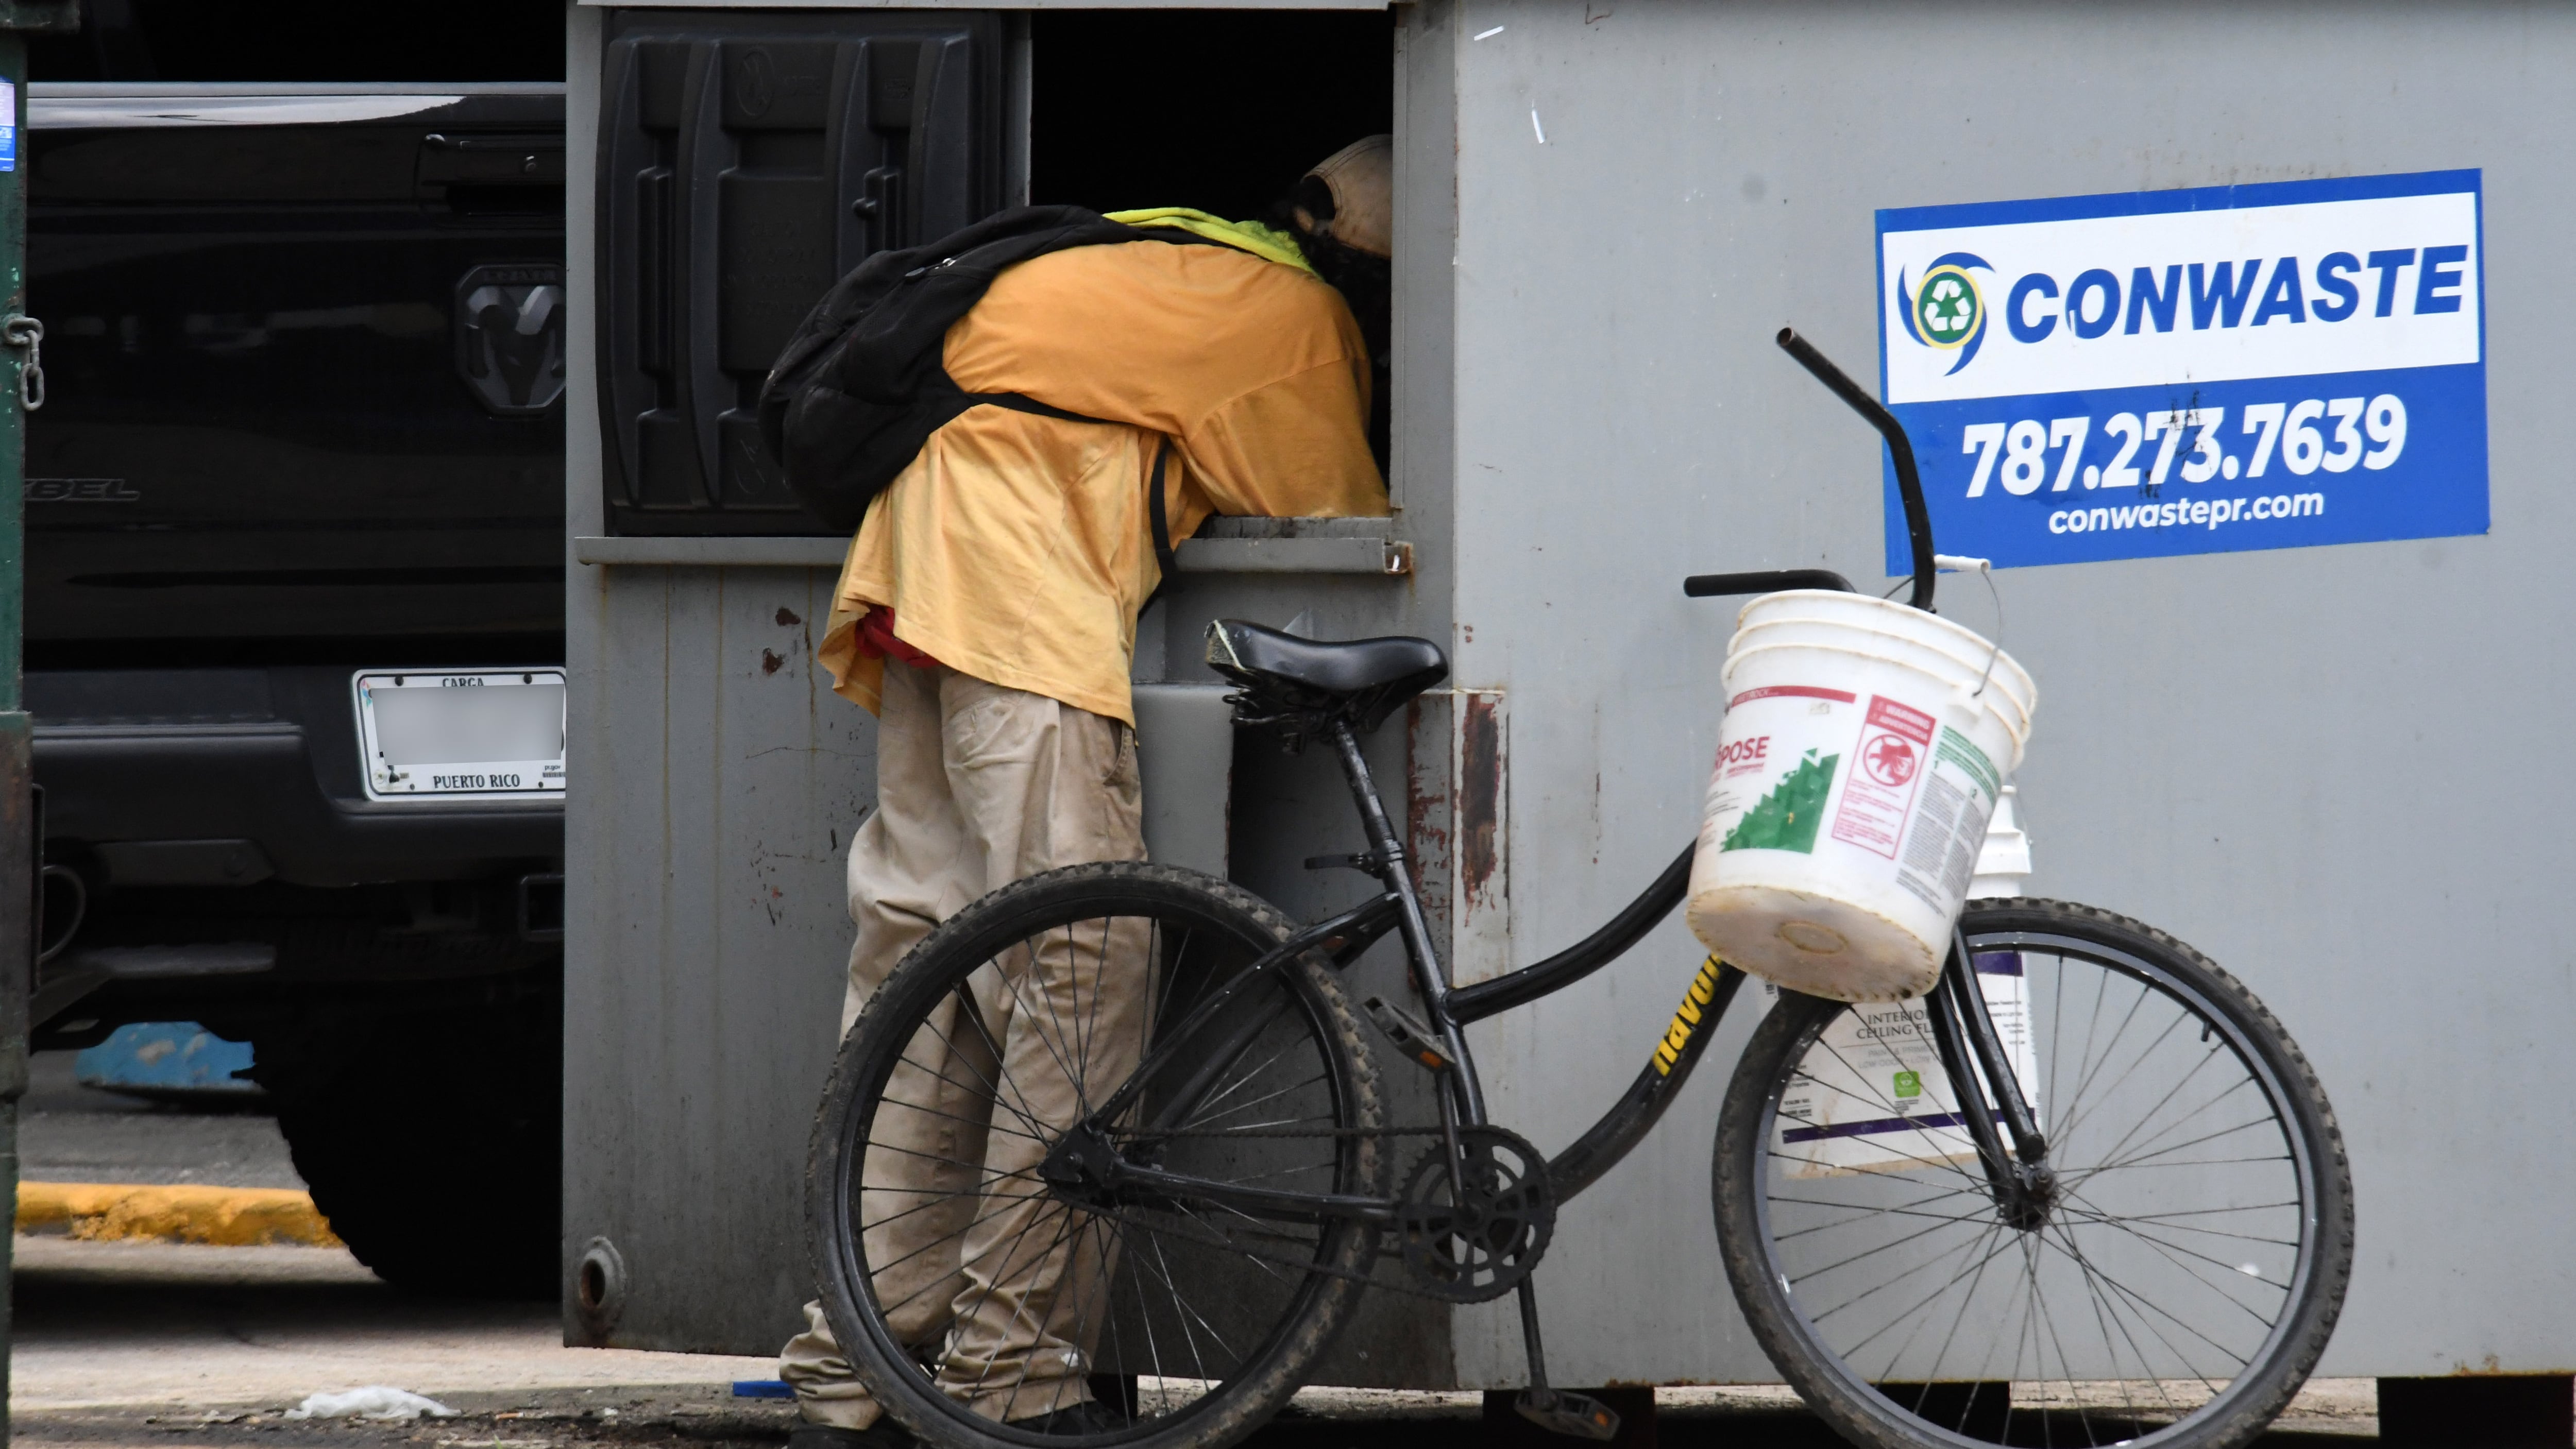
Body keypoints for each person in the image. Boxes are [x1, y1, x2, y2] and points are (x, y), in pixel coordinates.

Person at [777, 135, 1397, 1449]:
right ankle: (1015, 1372)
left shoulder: (1169, 246)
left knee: (929, 975)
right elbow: (1347, 530)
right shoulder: (1296, 319)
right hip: (1016, 604)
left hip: (918, 584)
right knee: (1079, 968)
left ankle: (851, 1366)